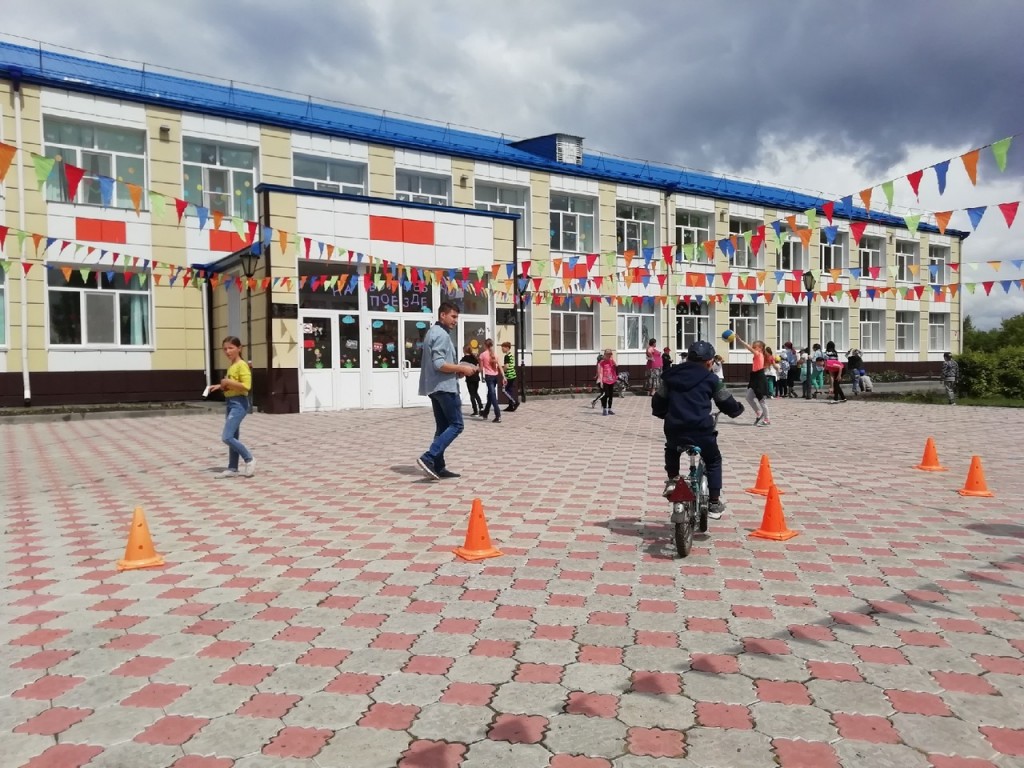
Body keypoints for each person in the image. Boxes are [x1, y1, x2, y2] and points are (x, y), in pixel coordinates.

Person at [652, 340, 745, 520]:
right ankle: (714, 502)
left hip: (675, 428)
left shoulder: (671, 376)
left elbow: (658, 400)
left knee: (671, 449)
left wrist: (662, 413)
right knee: (713, 460)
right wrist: (736, 409)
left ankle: (672, 480)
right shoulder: (711, 379)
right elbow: (725, 401)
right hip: (701, 430)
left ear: (688, 357)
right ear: (709, 362)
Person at [416, 302, 479, 480]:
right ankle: (428, 457)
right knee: (457, 425)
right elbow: (439, 364)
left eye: (457, 317)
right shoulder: (442, 335)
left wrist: (457, 372)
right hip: (445, 388)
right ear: (442, 315)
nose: (455, 320)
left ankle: (438, 466)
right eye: (453, 316)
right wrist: (462, 368)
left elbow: (439, 365)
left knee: (443, 427)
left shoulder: (432, 332)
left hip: (434, 387)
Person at [209, 336, 256, 478]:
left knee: (227, 437)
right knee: (233, 435)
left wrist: (227, 382)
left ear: (239, 348)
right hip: (230, 402)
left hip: (239, 404)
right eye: (225, 349)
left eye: (231, 348)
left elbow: (246, 386)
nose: (227, 351)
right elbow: (233, 384)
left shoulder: (242, 365)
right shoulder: (232, 366)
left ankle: (249, 459)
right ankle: (232, 467)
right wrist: (220, 386)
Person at [735, 334, 771, 426]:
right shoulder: (757, 355)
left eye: (755, 347)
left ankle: (767, 419)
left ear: (760, 348)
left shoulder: (758, 354)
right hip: (754, 377)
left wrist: (740, 340)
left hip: (760, 379)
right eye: (753, 346)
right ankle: (758, 412)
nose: (753, 348)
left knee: (761, 400)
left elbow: (748, 348)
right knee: (748, 397)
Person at [478, 338, 503, 423]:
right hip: (495, 376)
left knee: (492, 396)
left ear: (485, 345)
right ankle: (485, 413)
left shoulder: (482, 355)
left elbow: (481, 368)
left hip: (489, 377)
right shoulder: (495, 354)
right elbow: (499, 366)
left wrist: (475, 369)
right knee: (490, 395)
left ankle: (498, 415)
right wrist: (503, 376)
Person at [461, 344, 483, 416]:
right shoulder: (474, 358)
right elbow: (478, 368)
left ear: (464, 350)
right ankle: (481, 408)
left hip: (469, 379)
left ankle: (475, 411)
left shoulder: (464, 359)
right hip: (476, 378)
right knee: (476, 393)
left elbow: (461, 369)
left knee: (472, 395)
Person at [596, 348, 619, 415]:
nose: (609, 356)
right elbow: (601, 372)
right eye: (607, 354)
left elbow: (616, 365)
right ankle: (604, 409)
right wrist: (601, 381)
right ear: (605, 355)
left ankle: (609, 409)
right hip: (605, 381)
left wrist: (612, 358)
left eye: (610, 354)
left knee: (611, 395)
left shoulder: (611, 361)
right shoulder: (602, 362)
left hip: (611, 380)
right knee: (606, 395)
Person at [500, 341, 520, 412]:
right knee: (509, 390)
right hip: (513, 375)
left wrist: (502, 371)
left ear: (507, 348)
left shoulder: (507, 356)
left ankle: (515, 401)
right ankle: (510, 406)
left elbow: (506, 366)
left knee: (504, 390)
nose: (502, 349)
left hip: (509, 375)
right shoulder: (511, 355)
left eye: (503, 348)